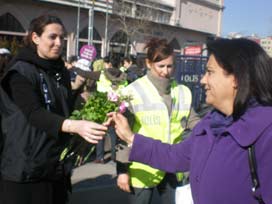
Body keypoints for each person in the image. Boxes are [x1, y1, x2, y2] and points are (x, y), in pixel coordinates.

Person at [108, 38, 272, 204]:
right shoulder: (211, 123)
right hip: (143, 174)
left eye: (210, 72)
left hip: (168, 177)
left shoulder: (266, 132)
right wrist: (131, 139)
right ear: (149, 64)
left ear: (236, 78)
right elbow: (175, 156)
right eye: (161, 65)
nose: (202, 80)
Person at [0, 15, 107, 204]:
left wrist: (81, 97)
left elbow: (60, 108)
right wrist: (75, 126)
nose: (59, 43)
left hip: (54, 166)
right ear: (35, 38)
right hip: (25, 169)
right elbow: (34, 113)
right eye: (52, 37)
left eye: (62, 37)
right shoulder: (20, 72)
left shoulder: (60, 72)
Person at [115, 38, 195, 204]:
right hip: (142, 168)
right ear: (149, 63)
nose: (165, 71)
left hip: (172, 166)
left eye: (170, 66)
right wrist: (122, 170)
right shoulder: (132, 92)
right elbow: (122, 134)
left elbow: (194, 121)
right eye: (161, 66)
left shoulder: (182, 92)